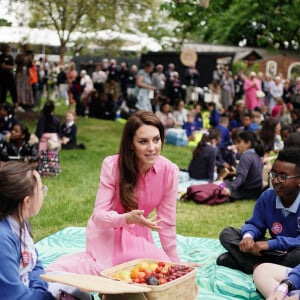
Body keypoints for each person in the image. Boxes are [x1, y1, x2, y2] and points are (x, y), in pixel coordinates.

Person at [47, 110, 181, 275]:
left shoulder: (170, 171)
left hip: (139, 233)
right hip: (107, 231)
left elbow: (166, 222)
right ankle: (64, 268)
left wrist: (176, 263)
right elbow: (99, 215)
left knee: (162, 271)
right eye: (143, 142)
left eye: (156, 140)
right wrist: (125, 218)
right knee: (111, 273)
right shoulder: (112, 166)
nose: (152, 148)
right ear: (131, 144)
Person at [0, 161, 93, 300]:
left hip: (28, 288)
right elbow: (13, 295)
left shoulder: (20, 222)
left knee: (80, 288)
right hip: (18, 295)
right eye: (41, 190)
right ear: (27, 201)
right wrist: (48, 296)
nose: (43, 194)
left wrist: (40, 287)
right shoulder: (3, 240)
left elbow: (34, 263)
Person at [217, 148, 300, 274]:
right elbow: (255, 224)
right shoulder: (268, 196)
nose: (276, 181)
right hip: (274, 251)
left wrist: (272, 244)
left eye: (283, 177)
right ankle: (263, 265)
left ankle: (248, 263)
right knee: (227, 234)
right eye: (273, 174)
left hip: (291, 251)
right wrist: (248, 237)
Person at [222, 130, 264, 200]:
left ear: (248, 143)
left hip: (245, 192)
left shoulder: (246, 156)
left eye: (239, 142)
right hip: (256, 191)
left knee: (221, 184)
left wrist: (230, 189)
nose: (236, 145)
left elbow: (241, 177)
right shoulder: (256, 154)